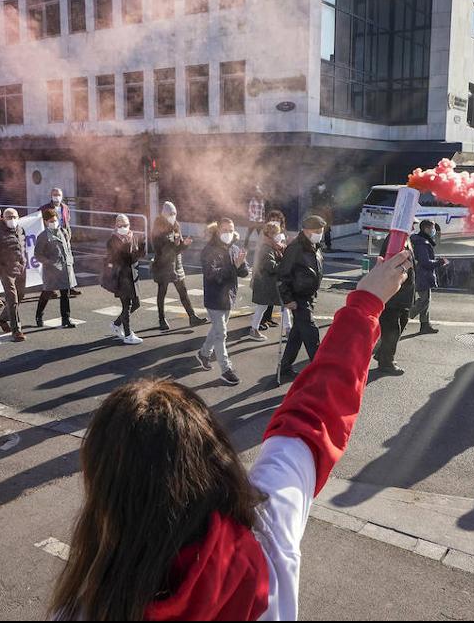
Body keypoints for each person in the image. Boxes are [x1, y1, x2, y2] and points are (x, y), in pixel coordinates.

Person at [46, 251, 410, 621]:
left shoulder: (81, 608)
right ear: (209, 456)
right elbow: (313, 414)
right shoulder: (264, 535)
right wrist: (366, 304)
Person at [197, 219, 249, 386]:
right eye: (224, 229)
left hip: (228, 297)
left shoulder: (234, 248)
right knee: (221, 334)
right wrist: (234, 266)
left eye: (231, 229)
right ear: (218, 231)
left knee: (217, 329)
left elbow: (244, 272)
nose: (228, 232)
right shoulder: (209, 250)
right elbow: (212, 275)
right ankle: (226, 370)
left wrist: (240, 264)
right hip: (214, 298)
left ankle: (204, 353)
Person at [276, 215, 326, 383]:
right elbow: (282, 275)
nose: (320, 233)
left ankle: (284, 367)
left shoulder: (315, 246)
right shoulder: (295, 248)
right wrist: (287, 298)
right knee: (311, 334)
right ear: (305, 231)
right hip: (299, 298)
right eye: (316, 231)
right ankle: (320, 375)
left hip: (309, 296)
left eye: (321, 230)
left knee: (297, 335)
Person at [150, 202, 207, 332]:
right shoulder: (158, 227)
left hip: (177, 263)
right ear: (164, 214)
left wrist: (184, 244)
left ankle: (192, 317)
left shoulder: (176, 226)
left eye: (174, 213)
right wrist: (176, 245)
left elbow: (178, 247)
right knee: (162, 292)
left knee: (183, 292)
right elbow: (160, 249)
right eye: (170, 214)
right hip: (163, 264)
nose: (173, 216)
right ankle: (161, 319)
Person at [371, 230, 416, 375]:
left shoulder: (404, 238)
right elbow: (392, 266)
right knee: (392, 329)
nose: (413, 227)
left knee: (400, 324)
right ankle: (386, 361)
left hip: (402, 294)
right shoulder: (397, 239)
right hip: (394, 294)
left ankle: (383, 355)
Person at [34, 208, 78, 329]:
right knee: (47, 292)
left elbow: (68, 247)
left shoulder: (63, 231)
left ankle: (66, 319)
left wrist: (70, 260)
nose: (54, 222)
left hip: (65, 268)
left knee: (65, 293)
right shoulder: (43, 236)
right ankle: (39, 315)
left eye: (55, 220)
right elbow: (38, 254)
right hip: (51, 270)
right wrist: (48, 262)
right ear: (45, 222)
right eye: (51, 221)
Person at [105, 214, 145, 345]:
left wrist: (142, 248)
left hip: (133, 275)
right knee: (126, 306)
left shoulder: (132, 236)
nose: (123, 227)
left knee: (137, 303)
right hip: (121, 276)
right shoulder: (112, 240)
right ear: (116, 226)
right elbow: (114, 259)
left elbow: (136, 256)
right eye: (120, 225)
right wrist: (129, 253)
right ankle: (128, 335)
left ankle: (116, 324)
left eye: (126, 225)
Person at [0, 208, 28, 342]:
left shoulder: (20, 230)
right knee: (12, 299)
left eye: (14, 217)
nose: (12, 220)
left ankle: (1, 320)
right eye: (9, 217)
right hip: (6, 271)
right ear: (3, 218)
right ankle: (16, 330)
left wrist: (24, 262)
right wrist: (0, 271)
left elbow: (23, 248)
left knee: (21, 295)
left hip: (20, 268)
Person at [247, 222, 286, 343]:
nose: (278, 235)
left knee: (264, 307)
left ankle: (254, 329)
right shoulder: (266, 247)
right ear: (269, 234)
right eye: (275, 233)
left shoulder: (272, 245)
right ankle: (288, 330)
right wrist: (285, 264)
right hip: (265, 283)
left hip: (267, 283)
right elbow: (271, 266)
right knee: (283, 306)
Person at [408, 220, 448, 335]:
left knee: (426, 300)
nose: (433, 231)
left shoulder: (422, 240)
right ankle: (405, 316)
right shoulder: (422, 243)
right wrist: (440, 262)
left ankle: (425, 325)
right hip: (422, 275)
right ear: (426, 229)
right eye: (432, 228)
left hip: (423, 275)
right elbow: (425, 262)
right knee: (424, 300)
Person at [310, 182, 334, 250]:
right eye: (320, 186)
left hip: (326, 214)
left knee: (327, 230)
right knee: (316, 230)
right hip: (317, 214)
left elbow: (330, 203)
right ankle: (316, 244)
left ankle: (328, 245)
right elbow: (313, 204)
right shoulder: (315, 194)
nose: (321, 187)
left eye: (322, 186)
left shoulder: (327, 194)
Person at [244, 185, 266, 249]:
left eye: (260, 194)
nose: (259, 195)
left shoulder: (262, 201)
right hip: (253, 221)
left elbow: (263, 211)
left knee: (260, 234)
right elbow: (250, 210)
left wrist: (263, 219)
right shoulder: (253, 201)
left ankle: (261, 246)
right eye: (258, 194)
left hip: (259, 221)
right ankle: (245, 245)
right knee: (248, 233)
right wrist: (255, 217)